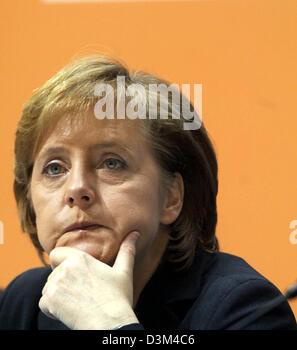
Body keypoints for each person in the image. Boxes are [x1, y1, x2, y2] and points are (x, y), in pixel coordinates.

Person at [0, 55, 296, 330]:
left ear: (171, 197)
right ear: (30, 203)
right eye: (54, 168)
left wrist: (108, 322)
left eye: (111, 163)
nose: (77, 188)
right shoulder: (24, 306)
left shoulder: (245, 309)